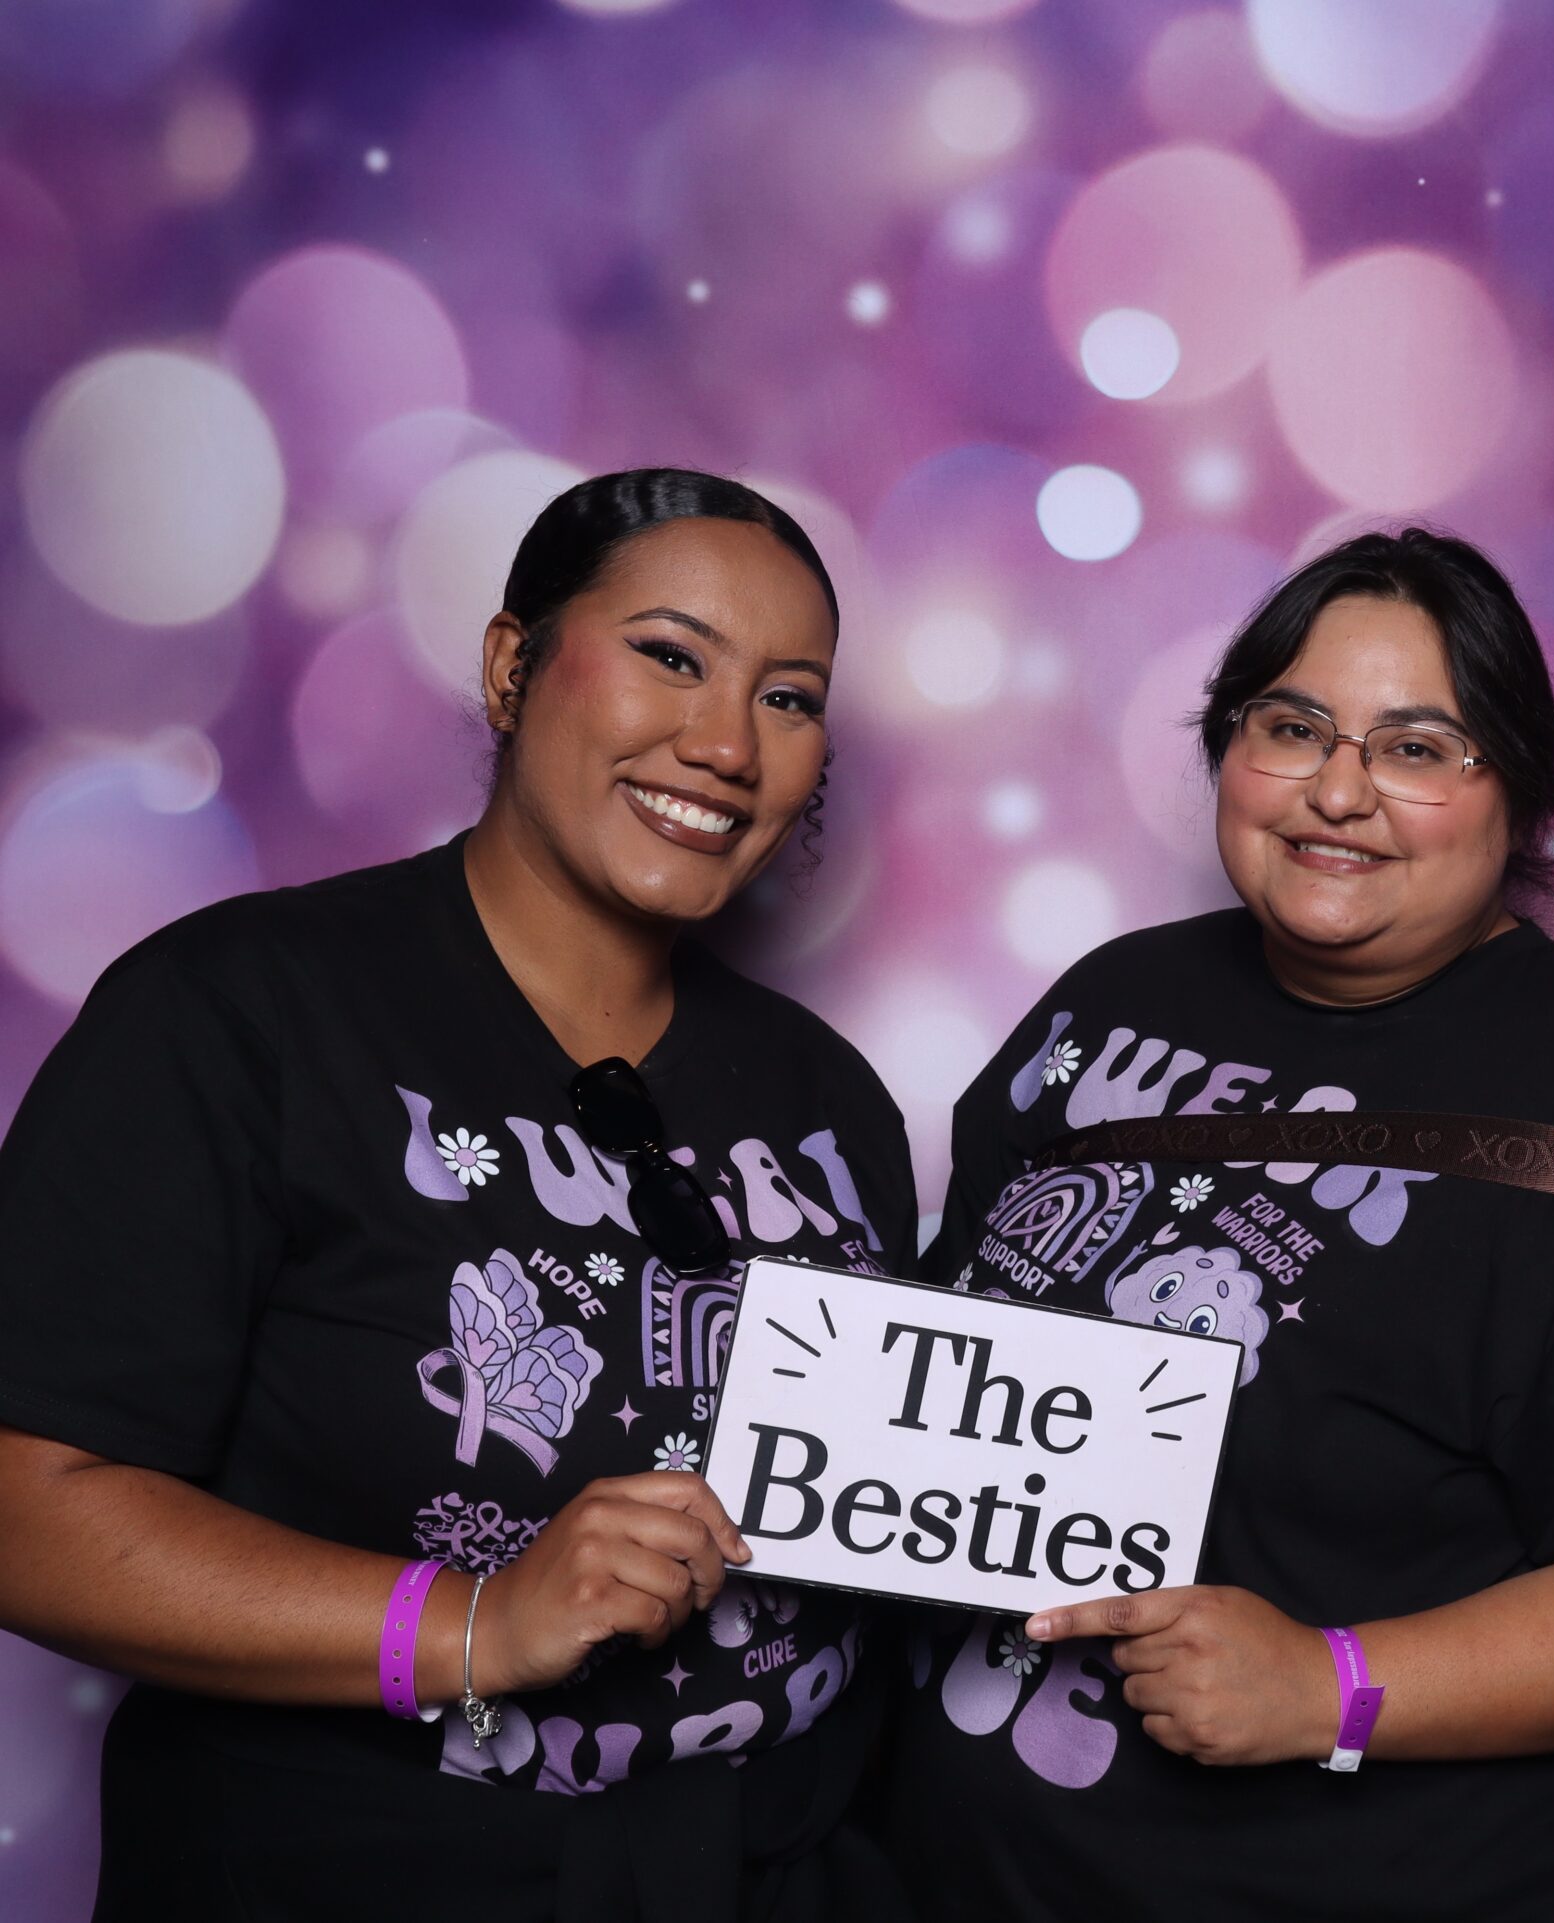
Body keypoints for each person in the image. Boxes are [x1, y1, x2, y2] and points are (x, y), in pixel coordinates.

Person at [0, 469, 917, 1920]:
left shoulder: (832, 1098)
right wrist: (472, 1624)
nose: (726, 743)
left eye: (788, 698)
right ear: (510, 667)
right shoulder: (240, 1012)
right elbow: (26, 1508)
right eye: (670, 656)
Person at [879, 528, 1554, 1922]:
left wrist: (1332, 1687)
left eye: (1417, 748)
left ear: (1521, 793)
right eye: (1292, 727)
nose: (1337, 791)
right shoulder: (1109, 1003)